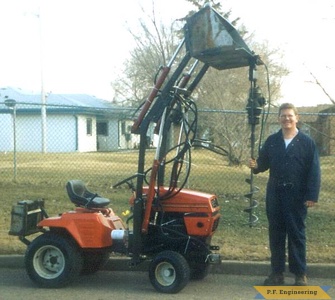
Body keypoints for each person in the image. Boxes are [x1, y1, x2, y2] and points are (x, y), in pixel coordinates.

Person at [249, 103, 321, 286]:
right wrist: (255, 166)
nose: (286, 119)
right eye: (283, 115)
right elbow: (263, 163)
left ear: (297, 118)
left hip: (296, 195)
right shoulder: (272, 141)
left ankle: (300, 274)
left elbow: (314, 171)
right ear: (278, 118)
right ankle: (277, 273)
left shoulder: (307, 143)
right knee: (276, 234)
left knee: (296, 234)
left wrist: (311, 195)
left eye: (290, 115)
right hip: (275, 194)